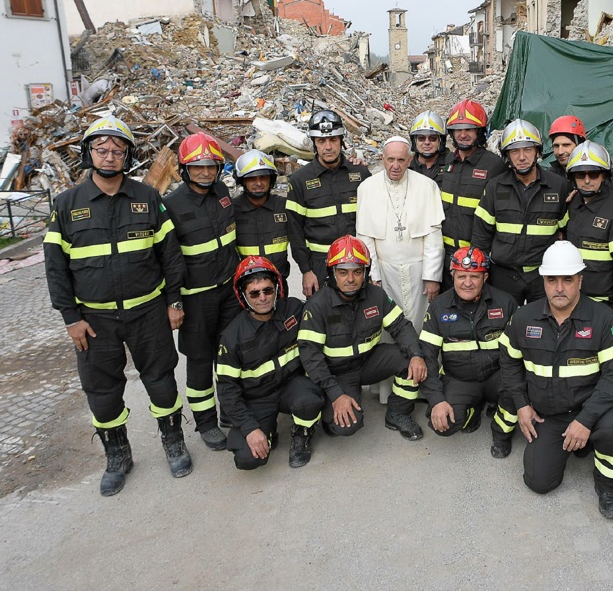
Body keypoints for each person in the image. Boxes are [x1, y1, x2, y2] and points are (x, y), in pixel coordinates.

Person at [43, 115, 192, 495]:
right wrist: (70, 319)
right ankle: (118, 456)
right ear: (88, 153)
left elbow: (170, 255)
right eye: (102, 149)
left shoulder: (147, 198)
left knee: (161, 381)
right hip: (94, 322)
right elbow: (55, 268)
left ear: (127, 156)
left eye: (117, 151)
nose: (109, 157)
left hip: (148, 313)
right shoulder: (66, 205)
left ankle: (173, 442)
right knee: (102, 391)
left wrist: (173, 300)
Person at [499, 241, 613, 519]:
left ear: (580, 281)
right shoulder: (523, 318)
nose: (559, 287)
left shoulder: (604, 318)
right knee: (538, 482)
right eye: (552, 280)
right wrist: (522, 405)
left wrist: (585, 421)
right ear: (543, 281)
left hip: (592, 411)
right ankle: (575, 445)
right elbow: (509, 361)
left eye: (567, 280)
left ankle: (608, 486)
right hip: (550, 415)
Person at [297, 235, 426, 440]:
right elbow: (310, 357)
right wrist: (336, 394)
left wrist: (417, 355)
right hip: (336, 374)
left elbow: (401, 327)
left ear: (365, 272)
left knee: (410, 359)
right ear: (332, 273)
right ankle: (331, 407)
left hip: (368, 363)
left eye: (357, 272)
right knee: (347, 426)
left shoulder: (376, 295)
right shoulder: (317, 306)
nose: (350, 279)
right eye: (343, 272)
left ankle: (398, 413)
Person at [163, 132, 239, 452]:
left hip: (228, 294)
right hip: (195, 299)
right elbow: (168, 258)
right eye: (198, 167)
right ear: (184, 169)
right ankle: (206, 422)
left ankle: (230, 412)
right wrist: (174, 302)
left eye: (211, 165)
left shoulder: (221, 192)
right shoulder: (171, 206)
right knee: (198, 362)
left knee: (230, 357)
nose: (206, 172)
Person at [215, 257, 324, 470]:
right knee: (247, 459)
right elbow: (227, 390)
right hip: (257, 399)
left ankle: (302, 433)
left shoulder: (293, 309)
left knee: (309, 400)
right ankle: (267, 432)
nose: (263, 298)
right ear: (243, 296)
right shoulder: (231, 337)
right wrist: (250, 429)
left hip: (291, 387)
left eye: (268, 290)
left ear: (277, 289)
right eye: (254, 293)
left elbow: (324, 316)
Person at [419, 246, 520, 458]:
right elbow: (427, 356)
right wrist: (437, 400)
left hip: (497, 375)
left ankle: (501, 434)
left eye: (474, 276)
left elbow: (520, 351)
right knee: (442, 424)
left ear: (485, 277)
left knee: (519, 390)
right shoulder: (438, 307)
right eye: (461, 276)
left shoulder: (506, 303)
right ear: (452, 276)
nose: (467, 282)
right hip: (459, 379)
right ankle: (472, 409)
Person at [472, 118, 569, 304]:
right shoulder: (494, 187)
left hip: (543, 276)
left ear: (538, 152)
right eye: (514, 150)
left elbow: (568, 232)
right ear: (507, 155)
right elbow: (481, 236)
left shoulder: (559, 187)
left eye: (527, 149)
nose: (522, 157)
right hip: (502, 276)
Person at [356, 136, 445, 333]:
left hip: (419, 273)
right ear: (382, 159)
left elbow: (433, 236)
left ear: (410, 160)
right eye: (390, 160)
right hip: (385, 272)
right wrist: (373, 275)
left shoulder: (427, 186)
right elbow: (365, 236)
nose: (395, 165)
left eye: (401, 160)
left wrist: (432, 277)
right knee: (388, 325)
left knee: (421, 324)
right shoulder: (367, 188)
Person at [286, 109, 371, 297]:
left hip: (356, 262)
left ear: (342, 141)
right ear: (314, 143)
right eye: (321, 141)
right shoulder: (300, 180)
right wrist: (306, 271)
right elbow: (295, 231)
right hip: (319, 265)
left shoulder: (360, 174)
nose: (328, 146)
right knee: (322, 320)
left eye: (333, 140)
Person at [562, 140, 613, 322]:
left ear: (604, 176)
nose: (587, 180)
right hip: (575, 301)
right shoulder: (573, 204)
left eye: (594, 174)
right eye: (580, 175)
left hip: (606, 307)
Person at [438, 99, 508, 283]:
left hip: (479, 259)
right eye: (458, 129)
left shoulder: (494, 165)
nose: (462, 134)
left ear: (480, 131)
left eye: (468, 129)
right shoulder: (447, 163)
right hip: (447, 257)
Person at [232, 150, 299, 297]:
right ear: (242, 181)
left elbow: (299, 242)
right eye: (252, 178)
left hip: (278, 286)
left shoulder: (284, 206)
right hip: (246, 288)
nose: (258, 183)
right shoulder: (232, 211)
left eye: (263, 177)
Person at [408, 111, 450, 181]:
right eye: (421, 138)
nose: (427, 142)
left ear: (441, 141)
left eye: (432, 138)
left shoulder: (452, 164)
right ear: (414, 141)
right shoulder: (406, 165)